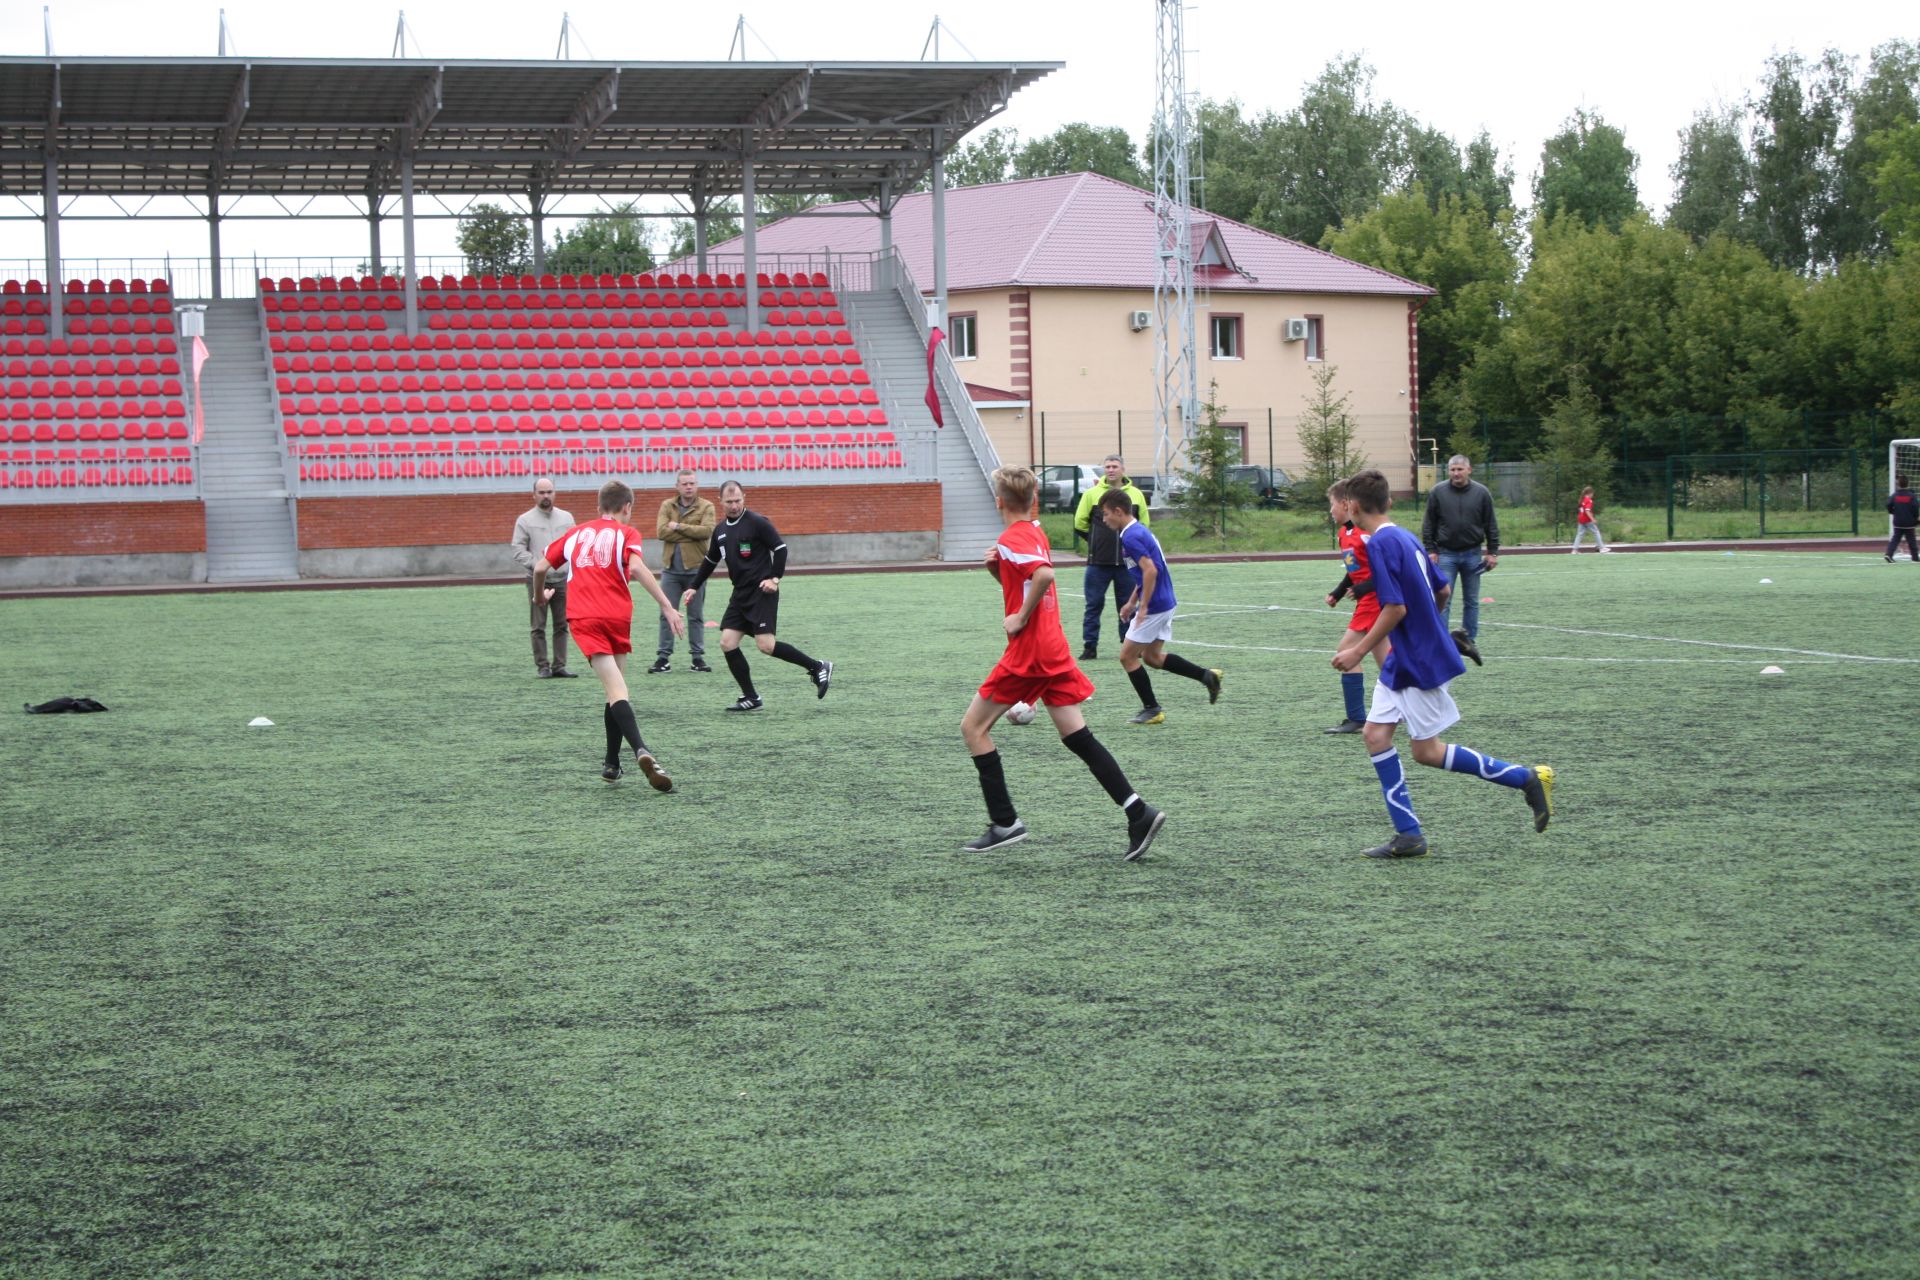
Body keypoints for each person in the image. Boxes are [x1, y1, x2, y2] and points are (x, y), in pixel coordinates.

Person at [1333, 468, 1552, 859]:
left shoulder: (1379, 543)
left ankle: (1526, 778)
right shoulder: (1406, 536)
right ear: (1388, 501)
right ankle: (1409, 835)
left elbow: (1395, 607)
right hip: (1406, 657)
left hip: (1418, 661)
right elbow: (1443, 589)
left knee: (1427, 752)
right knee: (1375, 736)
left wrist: (1358, 651)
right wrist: (1429, 627)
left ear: (1351, 505)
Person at [963, 464, 1166, 860]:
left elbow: (1042, 575)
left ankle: (1005, 822)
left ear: (999, 501)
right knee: (1078, 737)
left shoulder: (1012, 536)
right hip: (1053, 648)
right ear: (1034, 499)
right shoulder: (1035, 530)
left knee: (973, 728)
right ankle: (1138, 812)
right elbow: (1025, 579)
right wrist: (997, 570)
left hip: (1030, 653)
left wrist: (1020, 618)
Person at [531, 479, 685, 791]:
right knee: (616, 690)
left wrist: (538, 598)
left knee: (615, 692)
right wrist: (668, 607)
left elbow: (539, 568)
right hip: (616, 615)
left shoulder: (574, 533)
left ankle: (640, 749)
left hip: (585, 617)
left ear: (599, 507)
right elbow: (639, 570)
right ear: (627, 508)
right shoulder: (627, 532)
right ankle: (612, 764)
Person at [682, 480, 833, 711]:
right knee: (727, 642)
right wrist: (694, 585)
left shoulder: (757, 522)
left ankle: (817, 666)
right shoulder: (721, 530)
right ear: (720, 501)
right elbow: (710, 560)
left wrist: (774, 579)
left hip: (762, 592)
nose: (734, 505)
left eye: (738, 500)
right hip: (740, 594)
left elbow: (780, 549)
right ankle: (751, 697)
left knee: (766, 645)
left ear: (744, 497)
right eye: (729, 501)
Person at [1098, 487, 1222, 724]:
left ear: (1118, 511)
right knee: (1153, 658)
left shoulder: (1131, 536)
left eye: (1106, 514)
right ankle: (1207, 676)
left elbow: (1151, 570)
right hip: (1165, 601)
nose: (1104, 520)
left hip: (1155, 606)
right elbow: (1146, 571)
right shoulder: (1137, 531)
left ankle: (1152, 709)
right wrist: (1132, 601)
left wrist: (1142, 607)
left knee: (1127, 657)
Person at [1071, 454, 1151, 661]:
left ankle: (1128, 645)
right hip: (1098, 562)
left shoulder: (1136, 494)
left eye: (1115, 466)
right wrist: (1095, 542)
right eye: (1107, 466)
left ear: (1123, 469)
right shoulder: (1091, 494)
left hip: (1127, 564)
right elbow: (1079, 523)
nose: (1111, 470)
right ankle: (1090, 647)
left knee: (1126, 606)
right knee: (1093, 605)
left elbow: (1144, 524)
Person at [1422, 454, 1499, 666]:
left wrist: (1492, 552)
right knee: (1443, 599)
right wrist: (1431, 550)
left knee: (1472, 600)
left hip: (1473, 553)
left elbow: (1490, 524)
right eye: (1453, 470)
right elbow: (1429, 523)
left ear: (1469, 470)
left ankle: (1468, 639)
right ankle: (1441, 643)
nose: (1456, 473)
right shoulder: (1438, 492)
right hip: (1446, 553)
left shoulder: (1481, 493)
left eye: (1460, 469)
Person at [650, 470, 718, 673]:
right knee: (666, 614)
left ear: (697, 485)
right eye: (685, 483)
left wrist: (677, 526)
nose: (688, 487)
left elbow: (706, 532)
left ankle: (697, 658)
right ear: (677, 486)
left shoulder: (707, 506)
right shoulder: (667, 505)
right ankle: (663, 658)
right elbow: (661, 532)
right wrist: (691, 531)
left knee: (695, 615)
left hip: (697, 570)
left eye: (692, 483)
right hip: (671, 570)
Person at [509, 476, 577, 678]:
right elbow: (517, 548)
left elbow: (575, 545)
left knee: (562, 624)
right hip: (537, 580)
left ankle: (559, 666)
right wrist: (537, 564)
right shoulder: (525, 520)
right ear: (534, 495)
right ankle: (543, 667)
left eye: (549, 491)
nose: (546, 496)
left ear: (555, 493)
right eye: (542, 492)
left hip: (562, 579)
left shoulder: (567, 518)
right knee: (538, 626)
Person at [1571, 485, 1611, 553]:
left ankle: (1574, 550)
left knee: (1579, 534)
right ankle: (1601, 548)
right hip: (1587, 519)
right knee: (1596, 532)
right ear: (1590, 493)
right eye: (1592, 494)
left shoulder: (1582, 499)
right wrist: (1592, 519)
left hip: (1581, 519)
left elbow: (1581, 509)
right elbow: (1587, 511)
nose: (1593, 495)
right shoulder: (1589, 500)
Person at [1887, 475, 1918, 563]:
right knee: (1911, 540)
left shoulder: (1894, 495)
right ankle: (1915, 557)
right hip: (1909, 522)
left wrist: (1892, 512)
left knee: (1895, 539)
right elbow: (1915, 507)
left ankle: (1889, 554)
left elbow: (1888, 504)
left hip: (1898, 521)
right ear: (1908, 483)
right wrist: (1916, 518)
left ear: (1898, 484)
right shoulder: (1911, 496)